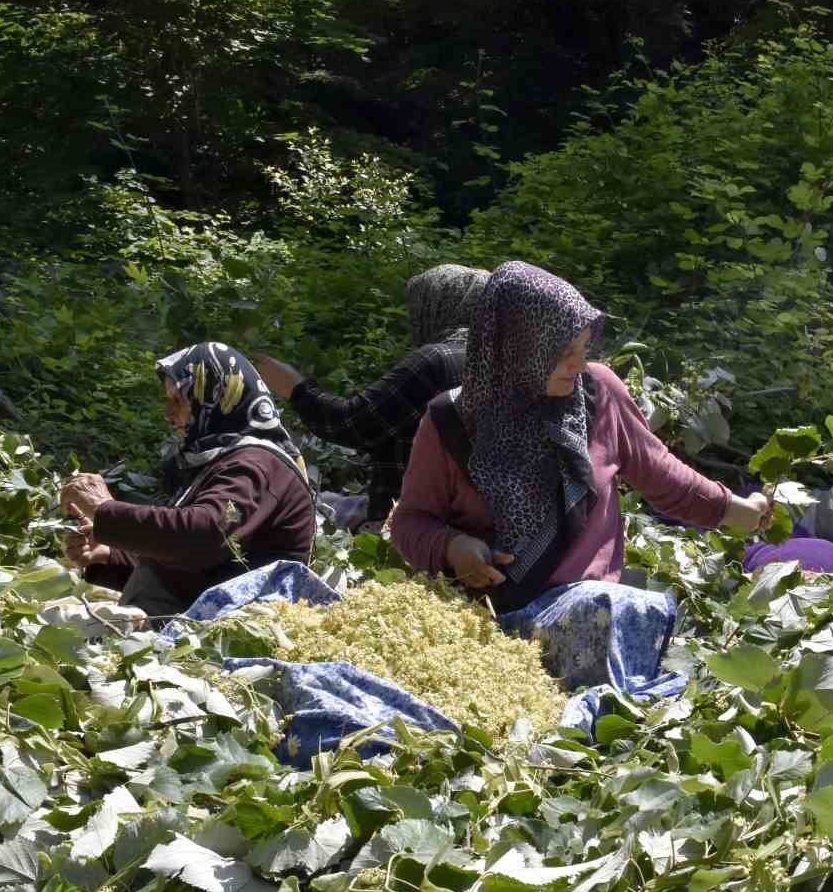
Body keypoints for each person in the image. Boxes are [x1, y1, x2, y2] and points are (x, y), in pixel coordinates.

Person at [391, 261, 771, 693]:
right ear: (516, 347)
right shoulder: (450, 422)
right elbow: (409, 523)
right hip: (490, 621)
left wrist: (740, 512)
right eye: (563, 352)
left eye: (583, 348)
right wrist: (453, 548)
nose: (578, 364)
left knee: (609, 605)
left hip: (591, 610)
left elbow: (664, 475)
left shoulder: (598, 393)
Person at [60, 343, 317, 618]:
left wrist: (103, 509)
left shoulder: (255, 464)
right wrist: (110, 554)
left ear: (217, 396)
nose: (168, 413)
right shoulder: (224, 461)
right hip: (198, 631)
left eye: (178, 400)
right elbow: (195, 564)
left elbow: (202, 535)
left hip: (227, 637)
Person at [254, 264, 487, 529]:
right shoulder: (501, 361)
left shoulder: (436, 362)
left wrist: (295, 388)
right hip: (472, 528)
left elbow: (353, 424)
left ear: (439, 307)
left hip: (416, 529)